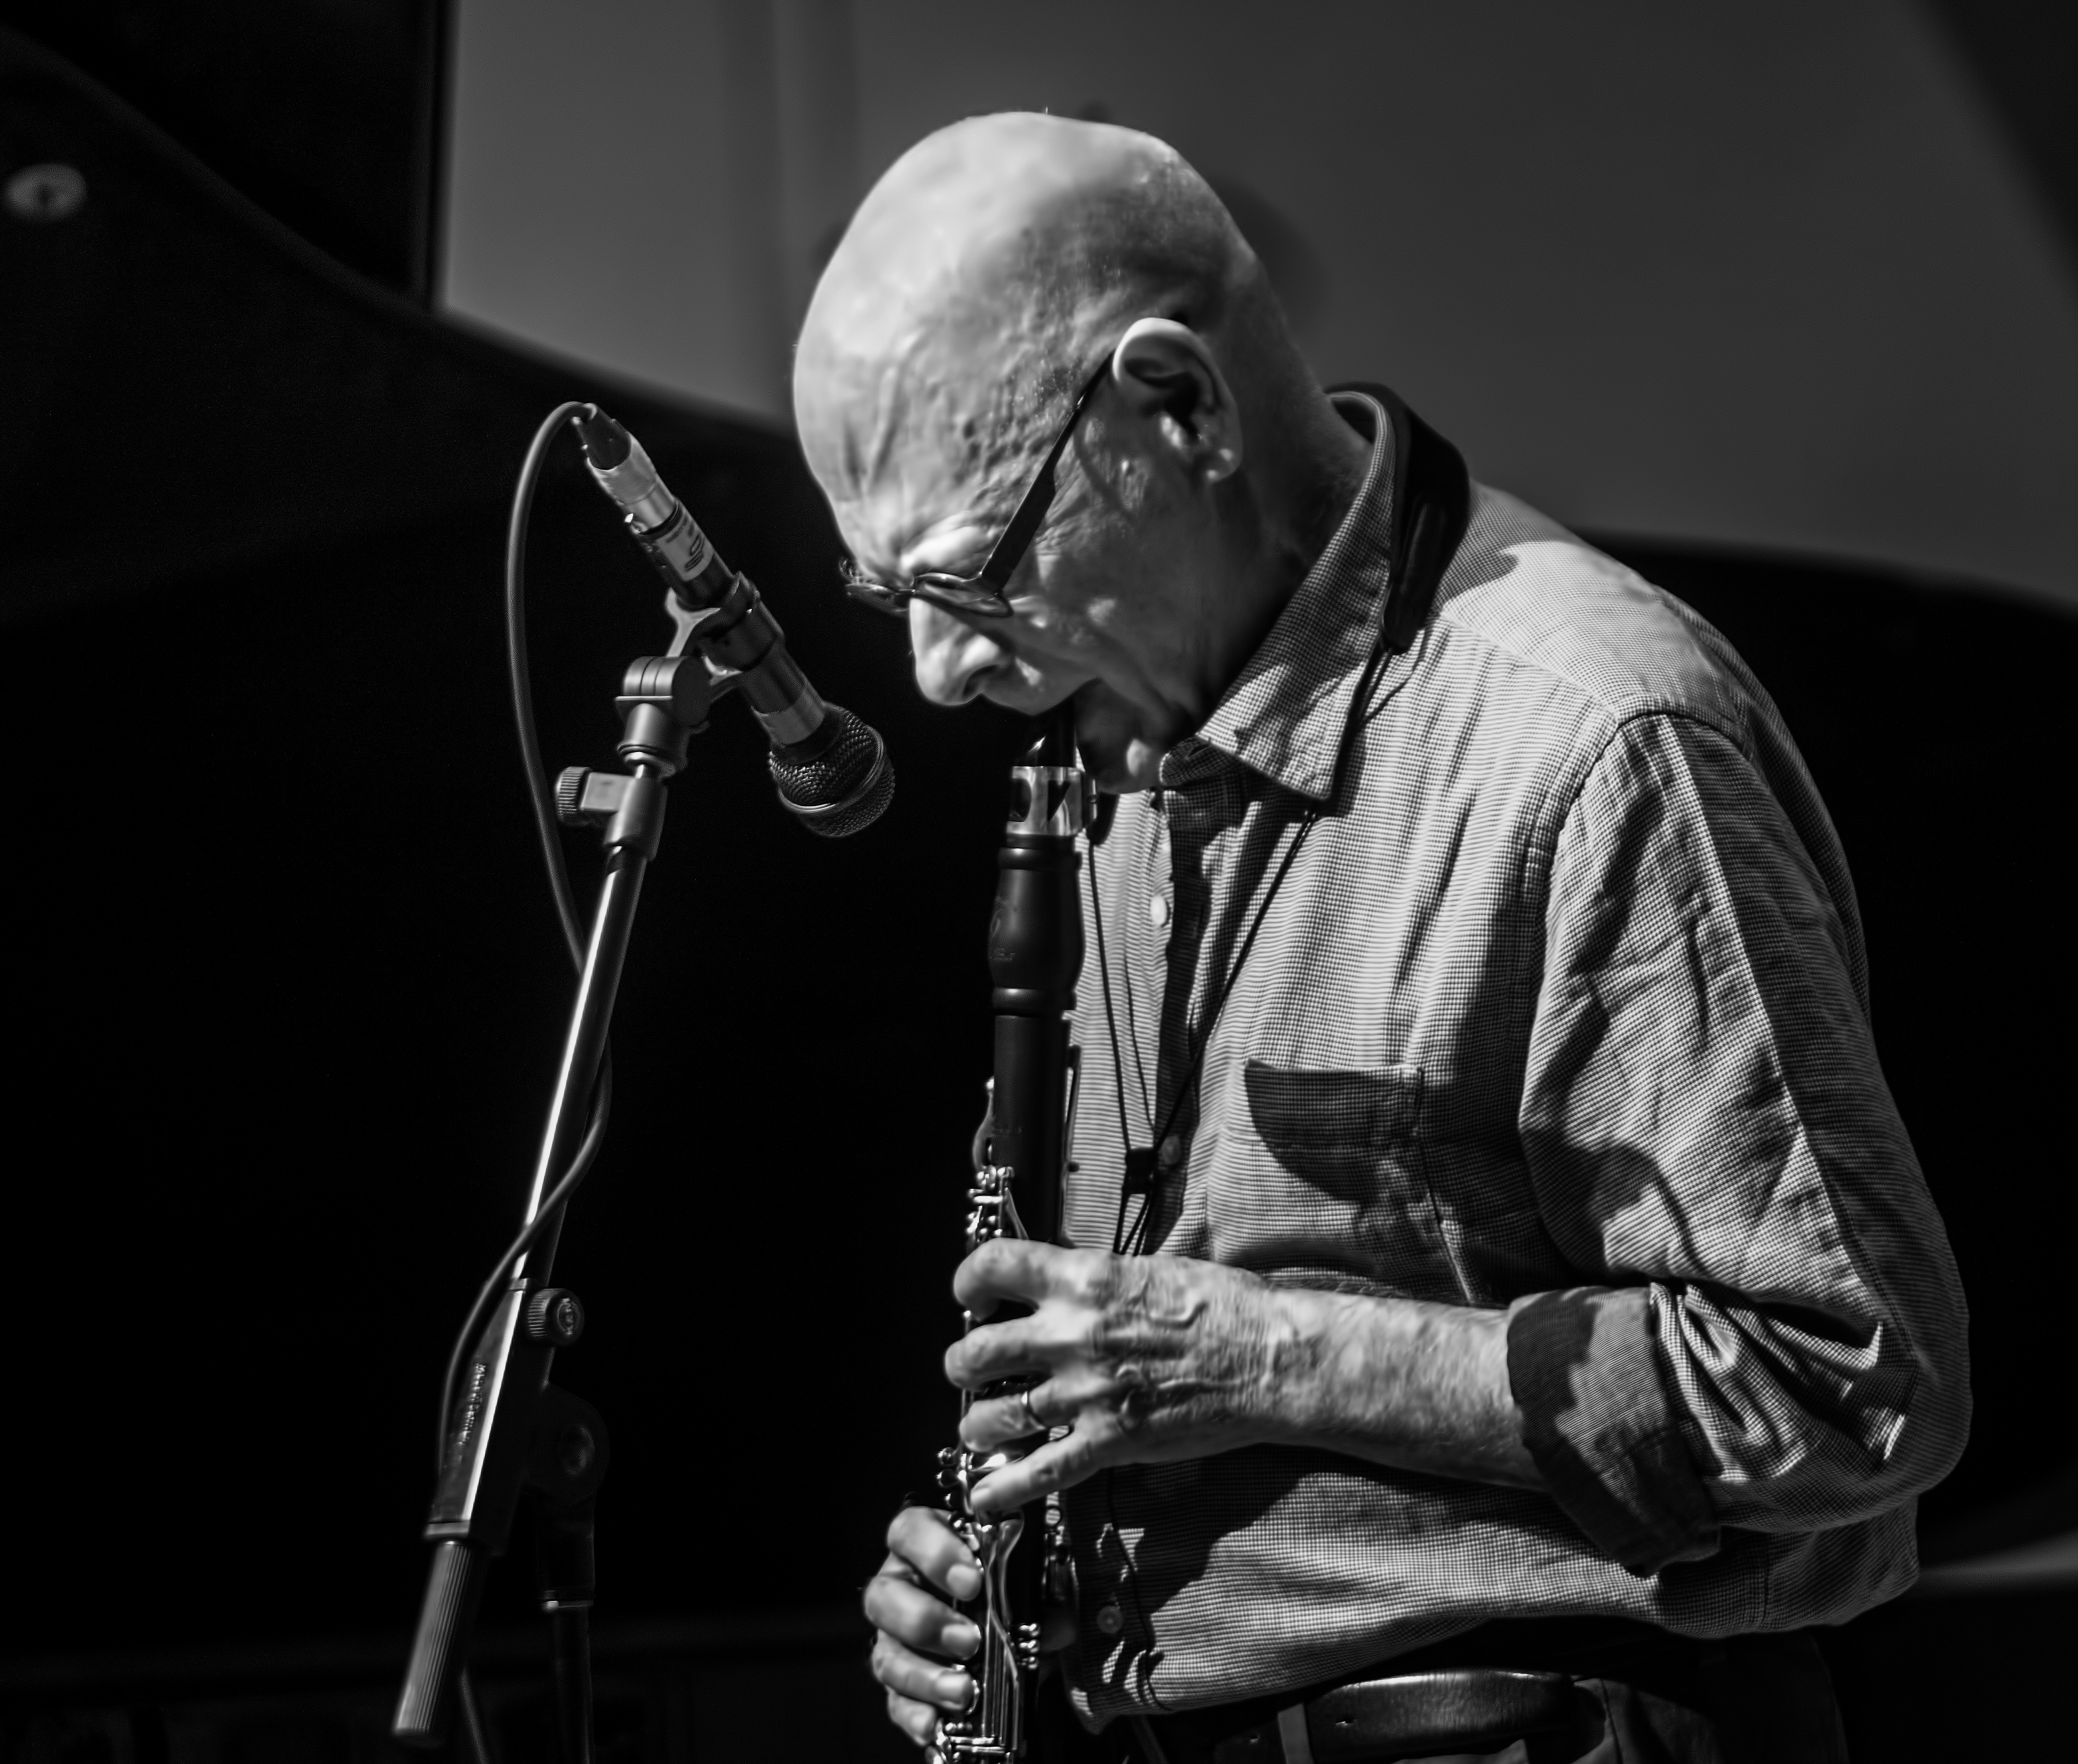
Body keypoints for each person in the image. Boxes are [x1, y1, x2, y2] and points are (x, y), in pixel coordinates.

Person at [793, 114, 1969, 1763]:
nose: (930, 672)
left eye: (975, 570)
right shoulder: (1117, 758)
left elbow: (1854, 1389)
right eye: (881, 596)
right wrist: (1014, 1589)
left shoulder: (1593, 735)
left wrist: (1262, 1351)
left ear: (1180, 405)